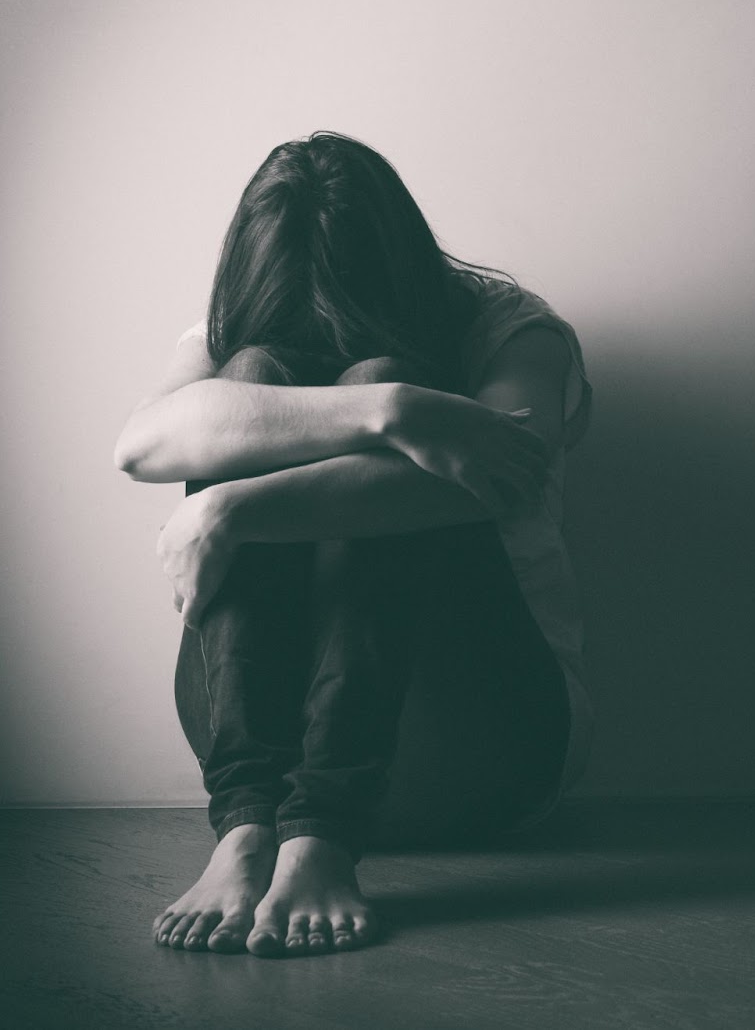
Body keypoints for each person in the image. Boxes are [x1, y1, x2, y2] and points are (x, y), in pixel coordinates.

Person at [111, 131, 594, 958]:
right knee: (252, 376)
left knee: (363, 382)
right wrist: (396, 413)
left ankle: (324, 831)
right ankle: (250, 834)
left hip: (480, 754)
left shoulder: (516, 335)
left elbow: (506, 474)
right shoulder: (229, 331)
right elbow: (142, 447)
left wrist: (232, 508)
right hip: (252, 769)